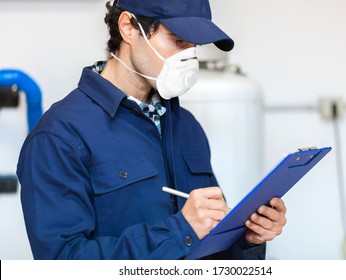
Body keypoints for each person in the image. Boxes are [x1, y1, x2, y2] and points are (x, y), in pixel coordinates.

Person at [17, 0, 287, 260]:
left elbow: (210, 246)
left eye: (194, 46)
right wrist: (179, 231)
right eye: (178, 40)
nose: (189, 57)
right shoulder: (60, 136)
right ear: (128, 28)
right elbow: (63, 262)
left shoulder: (186, 125)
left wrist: (247, 238)